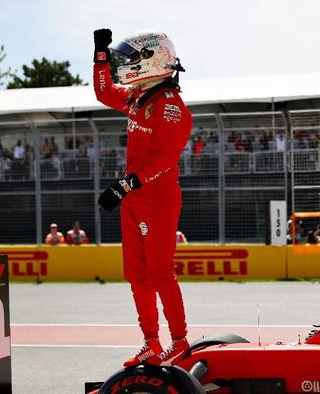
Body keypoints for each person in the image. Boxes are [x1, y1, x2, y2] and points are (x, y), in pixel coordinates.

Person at [93, 28, 192, 367]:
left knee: (161, 272)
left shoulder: (172, 107)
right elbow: (104, 92)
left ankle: (179, 342)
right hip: (134, 197)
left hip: (157, 198)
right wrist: (100, 54)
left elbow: (164, 161)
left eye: (134, 58)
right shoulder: (138, 97)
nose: (129, 64)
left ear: (154, 59)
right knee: (136, 274)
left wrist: (123, 186)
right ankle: (151, 342)